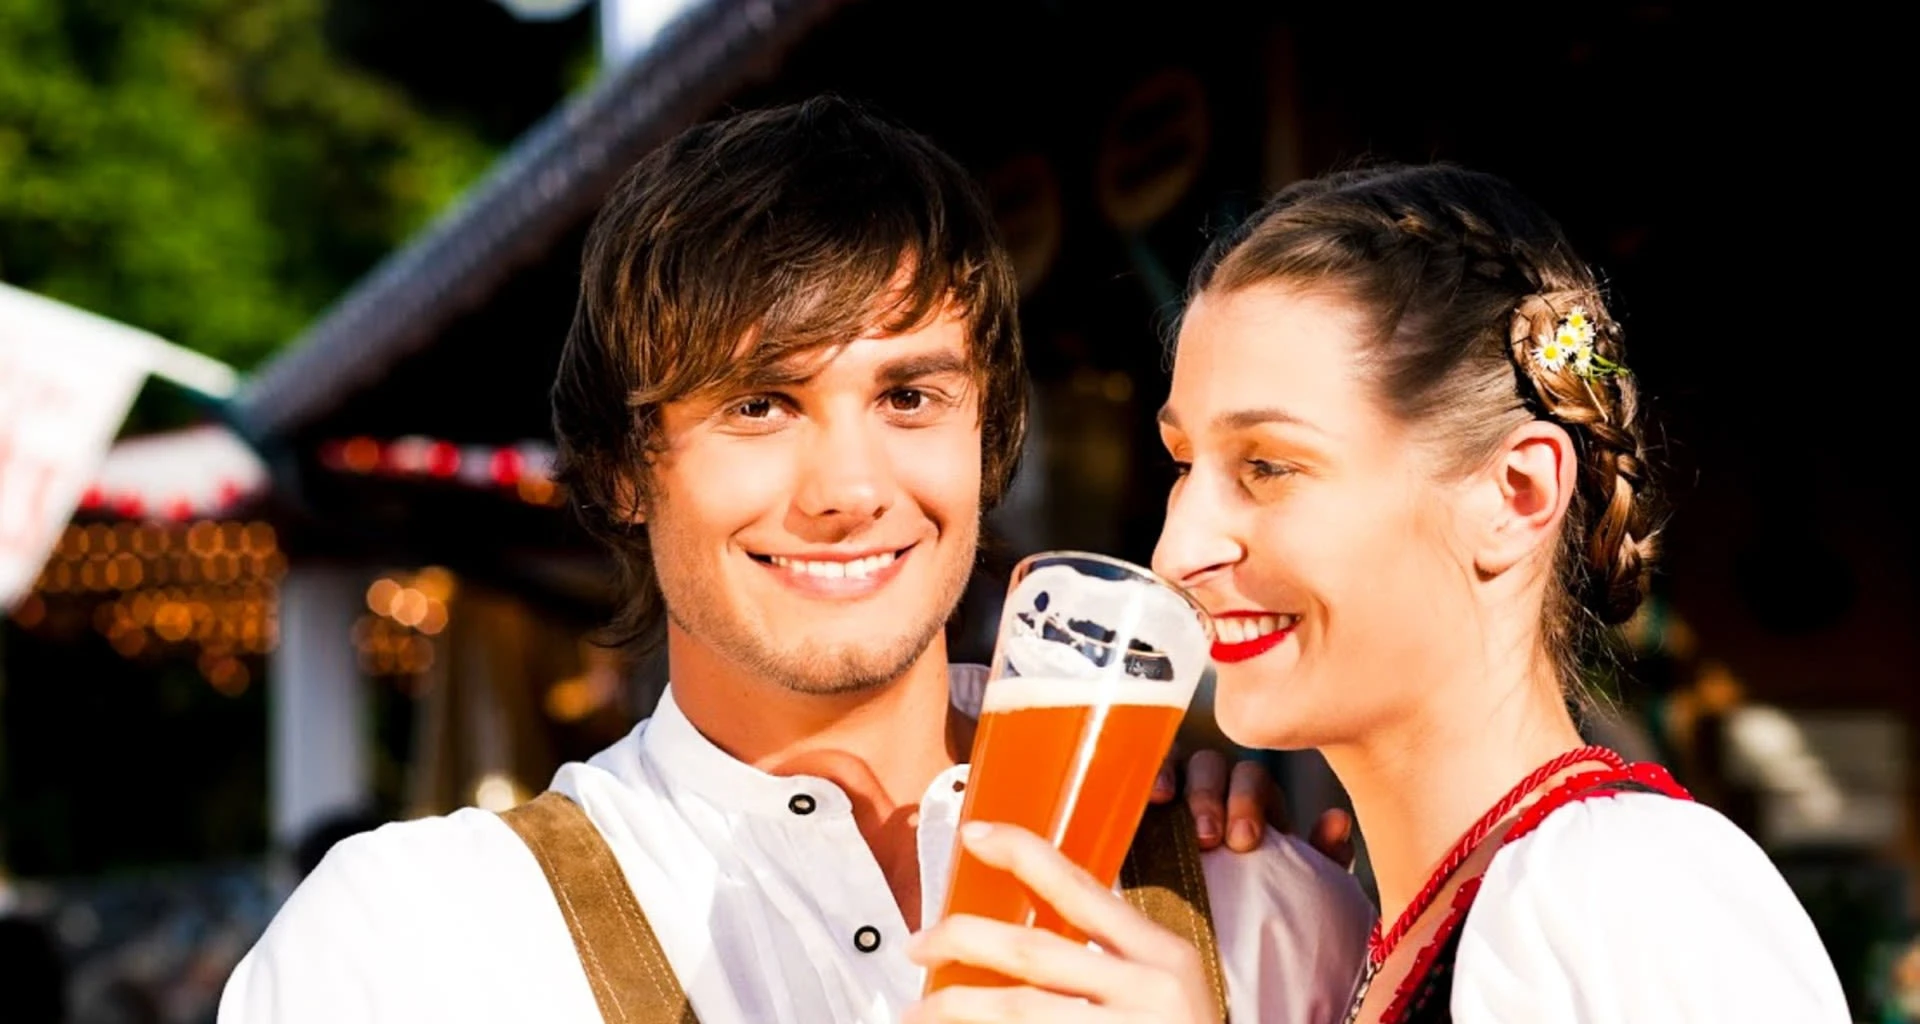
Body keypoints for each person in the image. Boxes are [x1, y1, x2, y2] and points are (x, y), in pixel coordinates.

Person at [216, 97, 1373, 1024]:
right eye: (760, 405)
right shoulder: (416, 948)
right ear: (625, 466)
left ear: (989, 439)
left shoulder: (1255, 909)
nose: (849, 489)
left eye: (910, 395)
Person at [904, 163, 1852, 1022]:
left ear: (1514, 495)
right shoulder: (1375, 930)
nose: (1178, 548)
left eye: (1270, 465)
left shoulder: (1624, 889)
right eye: (1185, 463)